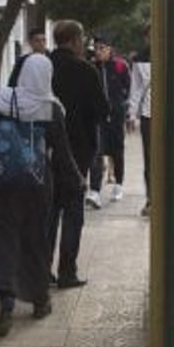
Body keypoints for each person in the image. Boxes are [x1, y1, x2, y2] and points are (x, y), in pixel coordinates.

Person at [0, 54, 81, 336]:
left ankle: (6, 304)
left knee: (1, 238)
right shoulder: (51, 107)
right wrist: (77, 179)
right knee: (35, 239)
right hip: (36, 183)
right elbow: (63, 153)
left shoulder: (4, 99)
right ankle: (40, 300)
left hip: (0, 180)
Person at [48, 20, 109, 289]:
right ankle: (66, 271)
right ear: (74, 40)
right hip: (77, 150)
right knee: (73, 211)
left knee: (48, 212)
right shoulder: (86, 70)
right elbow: (102, 110)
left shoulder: (40, 66)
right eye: (82, 38)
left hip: (44, 150)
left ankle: (40, 269)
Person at [86, 37, 130, 207]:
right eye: (96, 48)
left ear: (110, 49)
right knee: (96, 151)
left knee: (117, 150)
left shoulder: (120, 65)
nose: (98, 51)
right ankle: (95, 190)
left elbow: (128, 87)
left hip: (116, 115)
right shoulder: (91, 67)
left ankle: (118, 184)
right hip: (98, 116)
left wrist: (123, 107)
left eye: (102, 48)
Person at [127, 29, 152, 218]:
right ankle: (151, 198)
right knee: (150, 159)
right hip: (148, 114)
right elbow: (136, 88)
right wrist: (132, 115)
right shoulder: (140, 59)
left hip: (172, 114)